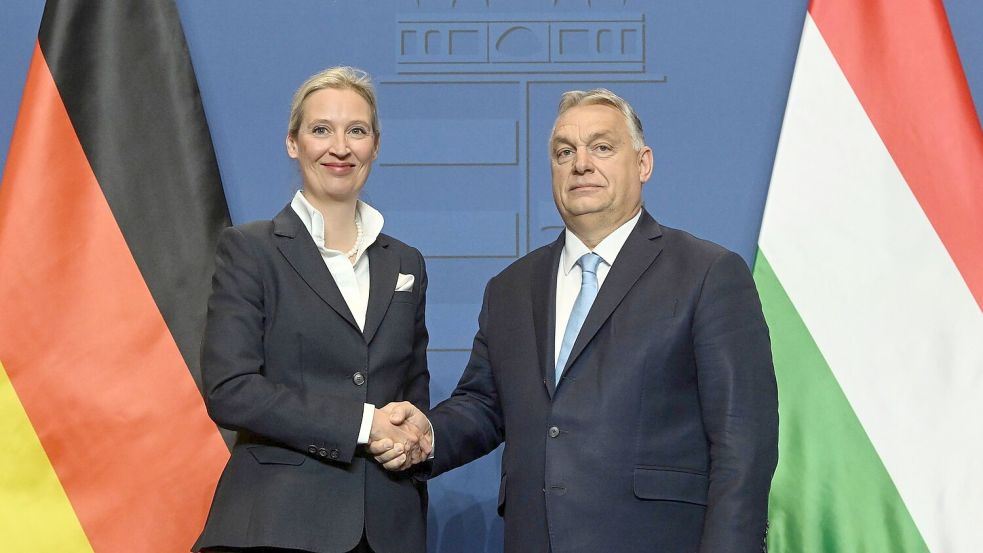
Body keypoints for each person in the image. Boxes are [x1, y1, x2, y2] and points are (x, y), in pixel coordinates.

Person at [373, 88, 778, 553]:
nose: (580, 163)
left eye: (602, 147)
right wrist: (429, 435)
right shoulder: (510, 288)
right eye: (564, 152)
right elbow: (484, 404)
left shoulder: (707, 273)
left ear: (643, 163)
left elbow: (743, 443)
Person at [193, 66, 432, 553]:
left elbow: (412, 394)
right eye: (321, 129)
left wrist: (417, 435)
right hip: (279, 524)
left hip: (388, 528)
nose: (339, 147)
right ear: (293, 143)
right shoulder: (251, 249)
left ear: (376, 145)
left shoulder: (407, 262)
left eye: (357, 131)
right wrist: (363, 424)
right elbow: (231, 390)